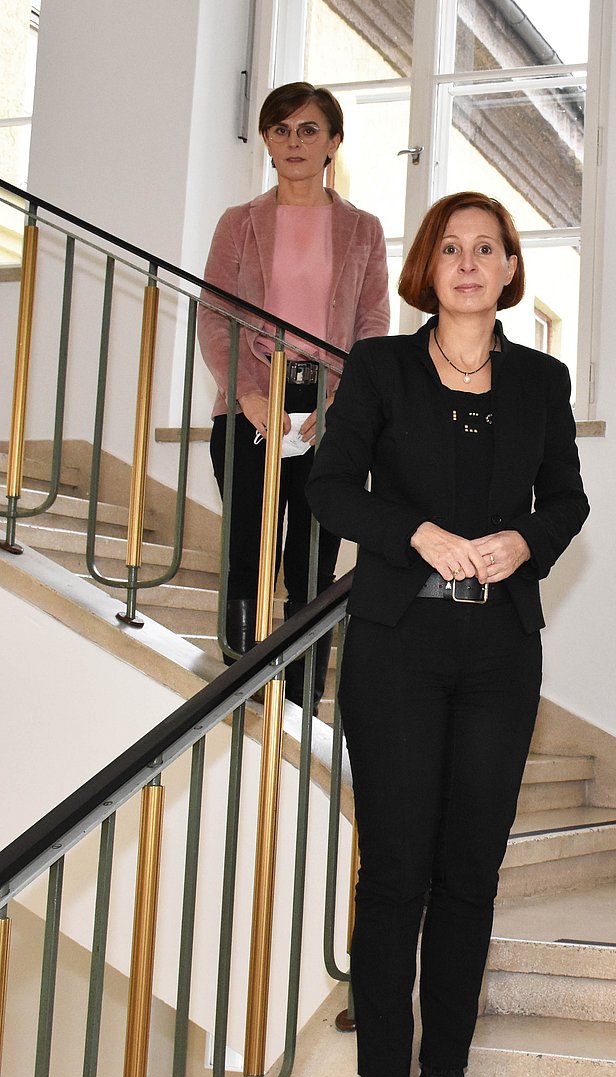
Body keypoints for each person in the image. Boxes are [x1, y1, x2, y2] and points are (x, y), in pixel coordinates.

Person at [307, 191, 588, 1077]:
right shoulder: (380, 366)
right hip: (398, 645)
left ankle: (447, 1071)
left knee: (471, 874)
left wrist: (526, 542)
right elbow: (328, 487)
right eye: (452, 248)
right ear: (427, 268)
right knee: (397, 873)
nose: (469, 263)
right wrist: (415, 533)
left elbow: (568, 499)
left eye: (487, 248)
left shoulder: (542, 380)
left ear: (510, 269)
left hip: (500, 649)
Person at [198, 80, 390, 706]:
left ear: (333, 142)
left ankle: (300, 703)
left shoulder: (363, 229)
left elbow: (372, 326)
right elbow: (214, 317)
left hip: (331, 414)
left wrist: (341, 403)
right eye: (280, 130)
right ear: (266, 141)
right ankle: (242, 691)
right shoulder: (238, 224)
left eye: (309, 129)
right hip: (250, 407)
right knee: (247, 554)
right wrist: (248, 395)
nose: (294, 142)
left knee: (313, 564)